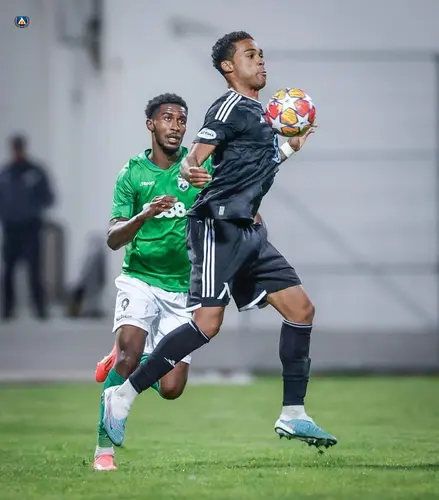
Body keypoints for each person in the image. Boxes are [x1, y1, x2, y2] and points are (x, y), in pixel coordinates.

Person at [102, 32, 337, 451]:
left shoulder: (261, 116)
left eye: (261, 55)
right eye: (250, 55)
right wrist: (190, 167)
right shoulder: (229, 106)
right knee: (208, 324)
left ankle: (293, 414)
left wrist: (289, 148)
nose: (260, 61)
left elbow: (258, 165)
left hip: (248, 230)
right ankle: (122, 396)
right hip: (216, 226)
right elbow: (195, 155)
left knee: (301, 309)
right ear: (229, 67)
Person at [93, 93, 217, 471]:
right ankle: (103, 452)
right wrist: (144, 214)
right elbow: (113, 238)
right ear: (151, 124)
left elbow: (233, 192)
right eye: (167, 118)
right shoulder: (132, 173)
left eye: (181, 120)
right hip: (140, 279)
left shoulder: (197, 166)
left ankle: (128, 355)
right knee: (129, 357)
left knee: (172, 388)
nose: (176, 126)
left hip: (184, 287)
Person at [0, 135, 55, 320]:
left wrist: (34, 210)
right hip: (11, 229)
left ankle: (40, 309)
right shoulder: (6, 174)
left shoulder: (35, 173)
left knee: (35, 270)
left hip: (31, 228)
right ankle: (7, 310)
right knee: (8, 270)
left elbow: (48, 197)